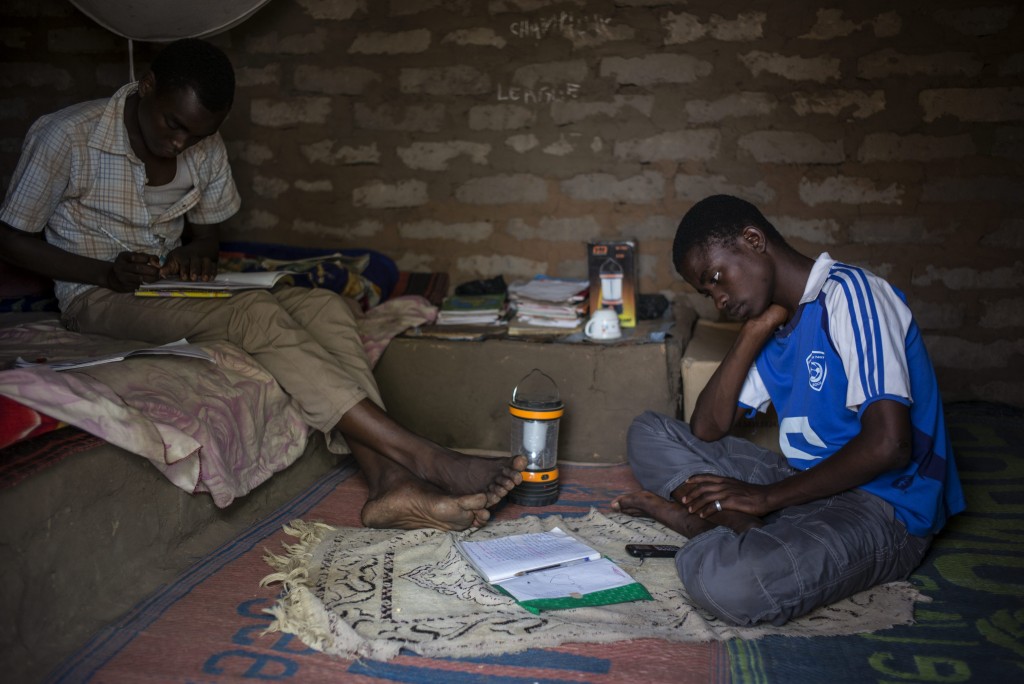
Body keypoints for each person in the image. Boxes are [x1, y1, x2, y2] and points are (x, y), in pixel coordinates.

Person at [0, 38, 525, 531]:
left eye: (197, 134)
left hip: (167, 290)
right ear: (148, 84)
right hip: (98, 295)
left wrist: (194, 257)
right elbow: (9, 238)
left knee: (324, 306)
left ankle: (389, 483)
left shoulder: (202, 145)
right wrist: (102, 272)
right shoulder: (67, 135)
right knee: (255, 313)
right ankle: (423, 457)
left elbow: (208, 237)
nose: (181, 142)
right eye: (173, 125)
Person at [612, 194, 965, 626]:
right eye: (707, 292)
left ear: (753, 240)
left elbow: (889, 444)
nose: (718, 299)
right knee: (648, 430)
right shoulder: (773, 322)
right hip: (802, 481)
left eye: (717, 278)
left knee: (728, 583)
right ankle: (741, 524)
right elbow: (706, 427)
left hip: (882, 507)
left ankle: (700, 525)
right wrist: (755, 330)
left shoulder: (853, 295)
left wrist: (763, 497)